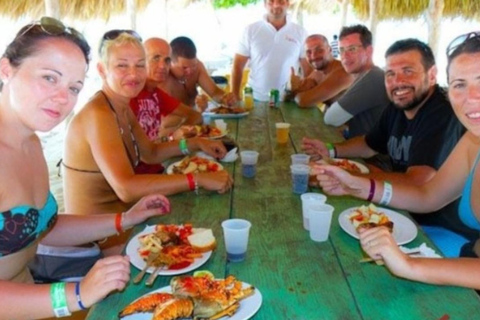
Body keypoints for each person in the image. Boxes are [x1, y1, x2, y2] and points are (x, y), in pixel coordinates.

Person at [0, 17, 171, 318]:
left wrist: (124, 219)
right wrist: (77, 294)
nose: (63, 97)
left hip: (32, 298)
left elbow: (43, 227)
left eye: (75, 87)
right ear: (6, 69)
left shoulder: (30, 143)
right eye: (50, 78)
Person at [313, 32, 480, 289]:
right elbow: (427, 195)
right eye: (459, 84)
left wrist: (408, 265)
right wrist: (358, 186)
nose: (471, 96)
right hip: (462, 254)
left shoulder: (444, 117)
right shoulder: (472, 140)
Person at [62, 30, 233, 255]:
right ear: (103, 70)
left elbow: (150, 152)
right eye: (122, 66)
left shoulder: (121, 105)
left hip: (125, 219)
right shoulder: (99, 114)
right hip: (94, 243)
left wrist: (196, 144)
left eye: (140, 65)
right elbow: (126, 187)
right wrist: (197, 179)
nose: (133, 74)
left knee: (202, 230)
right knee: (201, 244)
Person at [130, 37, 203, 174]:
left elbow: (195, 116)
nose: (163, 66)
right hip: (138, 178)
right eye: (155, 58)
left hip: (159, 168)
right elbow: (141, 152)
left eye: (167, 60)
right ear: (141, 61)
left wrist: (180, 133)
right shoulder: (130, 95)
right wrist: (170, 137)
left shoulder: (156, 94)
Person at [230, 0, 310, 102]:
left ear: (287, 4)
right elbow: (237, 66)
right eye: (271, 1)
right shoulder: (250, 30)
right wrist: (235, 95)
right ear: (264, 4)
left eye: (281, 1)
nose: (276, 5)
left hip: (288, 100)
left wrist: (306, 95)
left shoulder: (300, 32)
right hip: (255, 99)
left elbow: (308, 69)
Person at [323, 25, 389, 138]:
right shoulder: (363, 77)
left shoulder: (373, 77)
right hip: (361, 147)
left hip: (372, 154)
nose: (344, 56)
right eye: (342, 50)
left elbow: (330, 118)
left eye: (352, 49)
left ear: (369, 51)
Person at [160, 36, 237, 111]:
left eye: (193, 65)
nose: (190, 71)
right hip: (175, 121)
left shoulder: (198, 67)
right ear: (170, 63)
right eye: (184, 68)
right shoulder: (163, 79)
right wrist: (197, 111)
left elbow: (214, 92)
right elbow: (164, 117)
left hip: (195, 118)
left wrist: (225, 98)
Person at [289, 34, 353, 108]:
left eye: (319, 50)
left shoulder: (343, 72)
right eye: (308, 52)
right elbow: (298, 93)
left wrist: (294, 90)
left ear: (330, 49)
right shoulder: (317, 72)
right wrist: (292, 87)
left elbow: (303, 101)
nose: (313, 56)